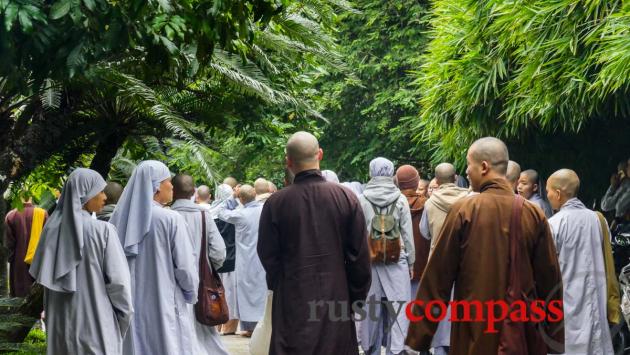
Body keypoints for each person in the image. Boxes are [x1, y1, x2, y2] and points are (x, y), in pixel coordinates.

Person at [405, 137, 564, 355]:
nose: (467, 171)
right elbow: (550, 279)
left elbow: (438, 278)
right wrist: (554, 337)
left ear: (484, 167)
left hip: (473, 332)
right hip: (519, 332)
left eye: (469, 164)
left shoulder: (465, 210)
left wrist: (418, 338)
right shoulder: (532, 213)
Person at [258, 131, 371, 355]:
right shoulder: (346, 198)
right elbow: (359, 257)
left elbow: (268, 256)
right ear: (320, 154)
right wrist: (355, 298)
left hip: (293, 299)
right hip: (336, 300)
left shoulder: (276, 204)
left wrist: (281, 286)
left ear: (288, 161)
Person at [30, 168, 133, 354]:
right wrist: (123, 321)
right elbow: (120, 285)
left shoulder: (50, 231)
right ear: (85, 193)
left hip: (60, 332)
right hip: (98, 328)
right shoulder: (103, 231)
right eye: (100, 191)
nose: (105, 197)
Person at [109, 160, 198, 355]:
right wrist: (191, 293)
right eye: (168, 181)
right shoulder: (170, 219)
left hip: (129, 301)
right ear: (156, 186)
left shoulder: (118, 220)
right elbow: (184, 266)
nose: (172, 186)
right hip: (165, 299)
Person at [547, 169, 619, 354]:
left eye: (548, 191)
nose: (547, 196)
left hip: (568, 305)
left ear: (558, 193)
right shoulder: (597, 220)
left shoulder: (554, 224)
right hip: (597, 301)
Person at [357, 157, 415, 355]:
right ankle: (396, 350)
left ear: (371, 172)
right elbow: (407, 235)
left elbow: (357, 234)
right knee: (398, 310)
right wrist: (411, 262)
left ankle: (369, 349)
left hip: (370, 262)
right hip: (396, 260)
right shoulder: (400, 199)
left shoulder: (362, 199)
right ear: (391, 173)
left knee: (370, 311)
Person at [171, 174, 229, 355]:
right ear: (193, 191)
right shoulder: (204, 215)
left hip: (172, 282)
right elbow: (219, 251)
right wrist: (210, 268)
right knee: (203, 329)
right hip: (201, 281)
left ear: (173, 191)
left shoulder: (167, 215)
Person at [419, 163, 469, 355]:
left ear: (437, 181)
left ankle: (440, 349)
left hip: (439, 262)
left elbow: (424, 232)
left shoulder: (431, 202)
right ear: (455, 178)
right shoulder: (469, 199)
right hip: (465, 261)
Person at [216, 184, 266, 337]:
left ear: (241, 199)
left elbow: (220, 212)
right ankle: (260, 326)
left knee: (247, 294)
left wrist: (232, 196)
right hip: (262, 257)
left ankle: (251, 328)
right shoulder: (264, 210)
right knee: (261, 291)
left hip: (245, 260)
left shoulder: (240, 214)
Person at [210, 183, 240, 335]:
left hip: (215, 261)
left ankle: (217, 325)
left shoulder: (210, 212)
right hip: (233, 259)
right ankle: (229, 326)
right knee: (230, 295)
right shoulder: (234, 212)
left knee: (216, 294)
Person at [396, 165, 428, 298]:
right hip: (423, 264)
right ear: (416, 183)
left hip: (396, 263)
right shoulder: (428, 204)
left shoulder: (391, 204)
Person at [4, 197, 48, 296]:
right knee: (38, 300)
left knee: (19, 298)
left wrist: (12, 259)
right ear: (31, 197)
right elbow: (48, 241)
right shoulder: (42, 213)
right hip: (39, 264)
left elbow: (8, 245)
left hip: (18, 266)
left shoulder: (11, 215)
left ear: (18, 197)